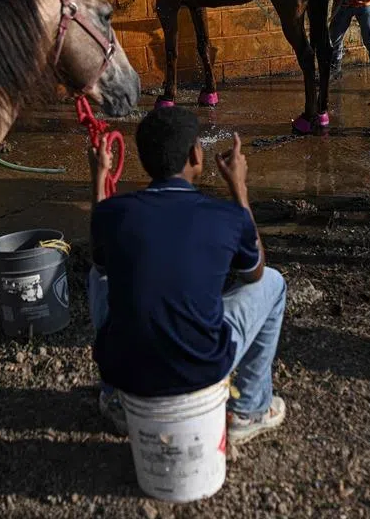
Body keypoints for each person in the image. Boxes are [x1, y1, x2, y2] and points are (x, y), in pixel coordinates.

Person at [86, 107, 287, 444]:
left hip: (126, 370)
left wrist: (98, 178)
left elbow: (101, 251)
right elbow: (254, 273)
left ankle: (116, 399)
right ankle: (249, 409)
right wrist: (239, 189)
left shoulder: (113, 214)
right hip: (201, 368)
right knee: (273, 283)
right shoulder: (226, 215)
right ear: (196, 155)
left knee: (100, 273)